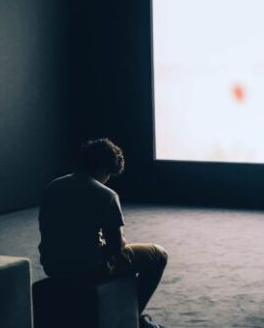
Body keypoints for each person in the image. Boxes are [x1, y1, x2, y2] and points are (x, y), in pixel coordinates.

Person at [38, 138, 168, 328]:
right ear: (104, 169)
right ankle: (132, 315)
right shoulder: (106, 195)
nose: (108, 179)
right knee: (159, 255)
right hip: (89, 269)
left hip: (53, 265)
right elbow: (116, 248)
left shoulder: (51, 188)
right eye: (109, 174)